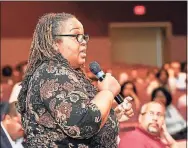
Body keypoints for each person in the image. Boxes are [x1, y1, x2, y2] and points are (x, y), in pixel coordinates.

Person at [16, 12, 134, 147]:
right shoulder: (52, 72)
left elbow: (77, 121)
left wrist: (111, 115)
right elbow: (82, 123)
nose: (83, 41)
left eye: (84, 36)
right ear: (54, 43)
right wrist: (107, 92)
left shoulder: (69, 73)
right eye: (76, 36)